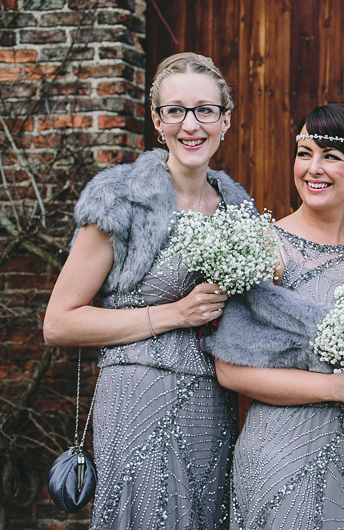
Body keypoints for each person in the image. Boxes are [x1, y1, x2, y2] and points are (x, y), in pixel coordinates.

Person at [44, 53, 247, 529]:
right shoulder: (121, 198)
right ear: (158, 122)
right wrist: (176, 313)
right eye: (175, 110)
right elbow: (60, 321)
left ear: (226, 121)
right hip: (137, 393)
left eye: (205, 110)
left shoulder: (236, 205)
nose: (190, 124)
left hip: (211, 404)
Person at [203, 104, 344, 529]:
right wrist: (335, 386)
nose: (313, 168)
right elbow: (231, 371)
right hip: (284, 455)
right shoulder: (268, 248)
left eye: (330, 156)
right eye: (304, 153)